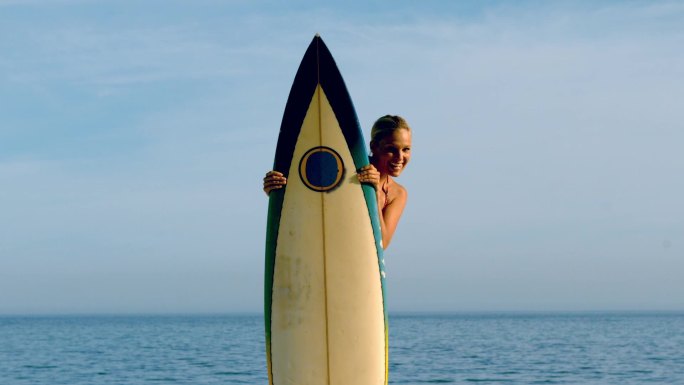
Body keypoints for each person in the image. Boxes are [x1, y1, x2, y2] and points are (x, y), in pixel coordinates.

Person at [263, 115, 411, 249]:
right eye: (391, 149)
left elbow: (382, 243)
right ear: (374, 147)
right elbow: (311, 197)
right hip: (323, 253)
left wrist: (374, 191)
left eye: (406, 149)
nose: (400, 157)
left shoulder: (397, 193)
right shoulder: (347, 169)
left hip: (359, 264)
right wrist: (277, 189)